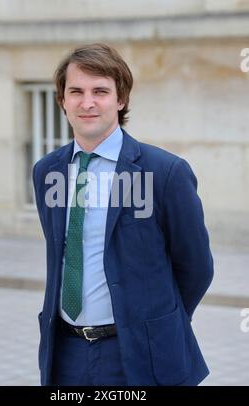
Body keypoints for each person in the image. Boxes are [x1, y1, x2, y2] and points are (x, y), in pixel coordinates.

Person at [33, 43, 214, 386]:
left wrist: (157, 322)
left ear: (121, 99)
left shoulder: (165, 172)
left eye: (100, 91)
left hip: (139, 356)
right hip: (65, 355)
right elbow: (63, 252)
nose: (87, 103)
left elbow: (196, 267)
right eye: (76, 92)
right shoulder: (47, 172)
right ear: (62, 101)